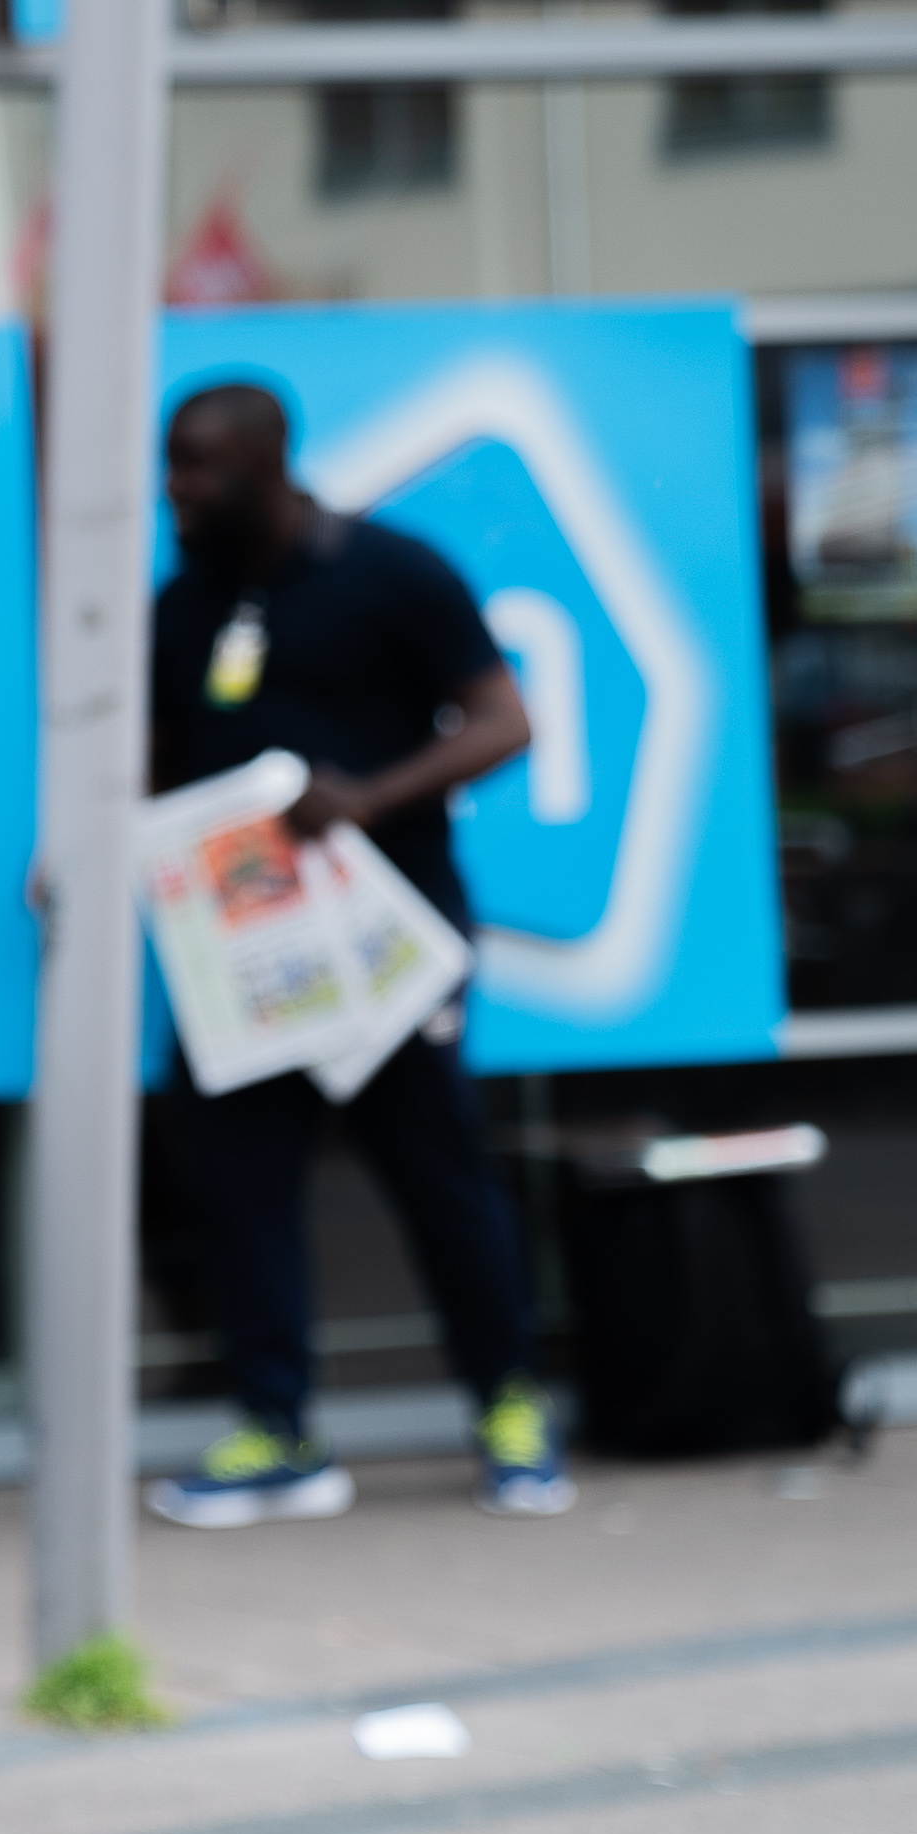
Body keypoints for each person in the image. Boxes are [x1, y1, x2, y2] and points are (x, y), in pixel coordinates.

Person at [142, 376, 573, 1529]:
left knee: (441, 1180)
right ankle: (278, 1431)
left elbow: (503, 721)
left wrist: (370, 798)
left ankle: (508, 1411)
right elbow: (151, 766)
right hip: (240, 960)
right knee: (240, 1191)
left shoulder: (394, 572)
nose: (176, 490)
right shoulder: (182, 607)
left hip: (387, 948)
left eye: (199, 466)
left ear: (271, 463)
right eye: (170, 465)